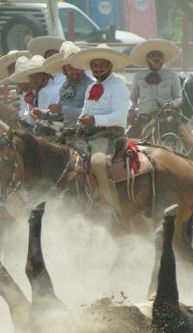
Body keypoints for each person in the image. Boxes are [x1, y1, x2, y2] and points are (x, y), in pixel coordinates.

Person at [70, 44, 130, 213]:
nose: (97, 69)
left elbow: (119, 117)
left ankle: (112, 206)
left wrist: (94, 120)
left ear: (109, 65)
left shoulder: (118, 87)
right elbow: (85, 112)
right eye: (94, 65)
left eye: (101, 65)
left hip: (109, 134)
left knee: (97, 161)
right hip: (89, 133)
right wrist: (79, 122)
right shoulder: (91, 87)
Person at [128, 39, 183, 138]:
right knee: (127, 144)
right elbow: (132, 98)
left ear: (163, 58)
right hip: (144, 119)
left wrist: (170, 105)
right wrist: (130, 110)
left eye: (159, 55)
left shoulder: (172, 75)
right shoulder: (138, 76)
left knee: (189, 143)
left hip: (166, 118)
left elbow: (178, 97)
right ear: (147, 58)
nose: (156, 58)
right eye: (152, 55)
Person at [41, 41, 92, 126]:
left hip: (86, 132)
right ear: (64, 70)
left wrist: (61, 109)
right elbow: (60, 115)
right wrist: (43, 115)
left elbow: (89, 113)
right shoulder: (63, 86)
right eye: (70, 68)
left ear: (83, 68)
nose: (75, 71)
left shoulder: (90, 85)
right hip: (68, 131)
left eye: (78, 67)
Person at [7, 55, 58, 137]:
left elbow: (43, 120)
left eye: (38, 75)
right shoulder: (37, 92)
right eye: (32, 76)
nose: (34, 79)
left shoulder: (48, 92)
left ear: (47, 75)